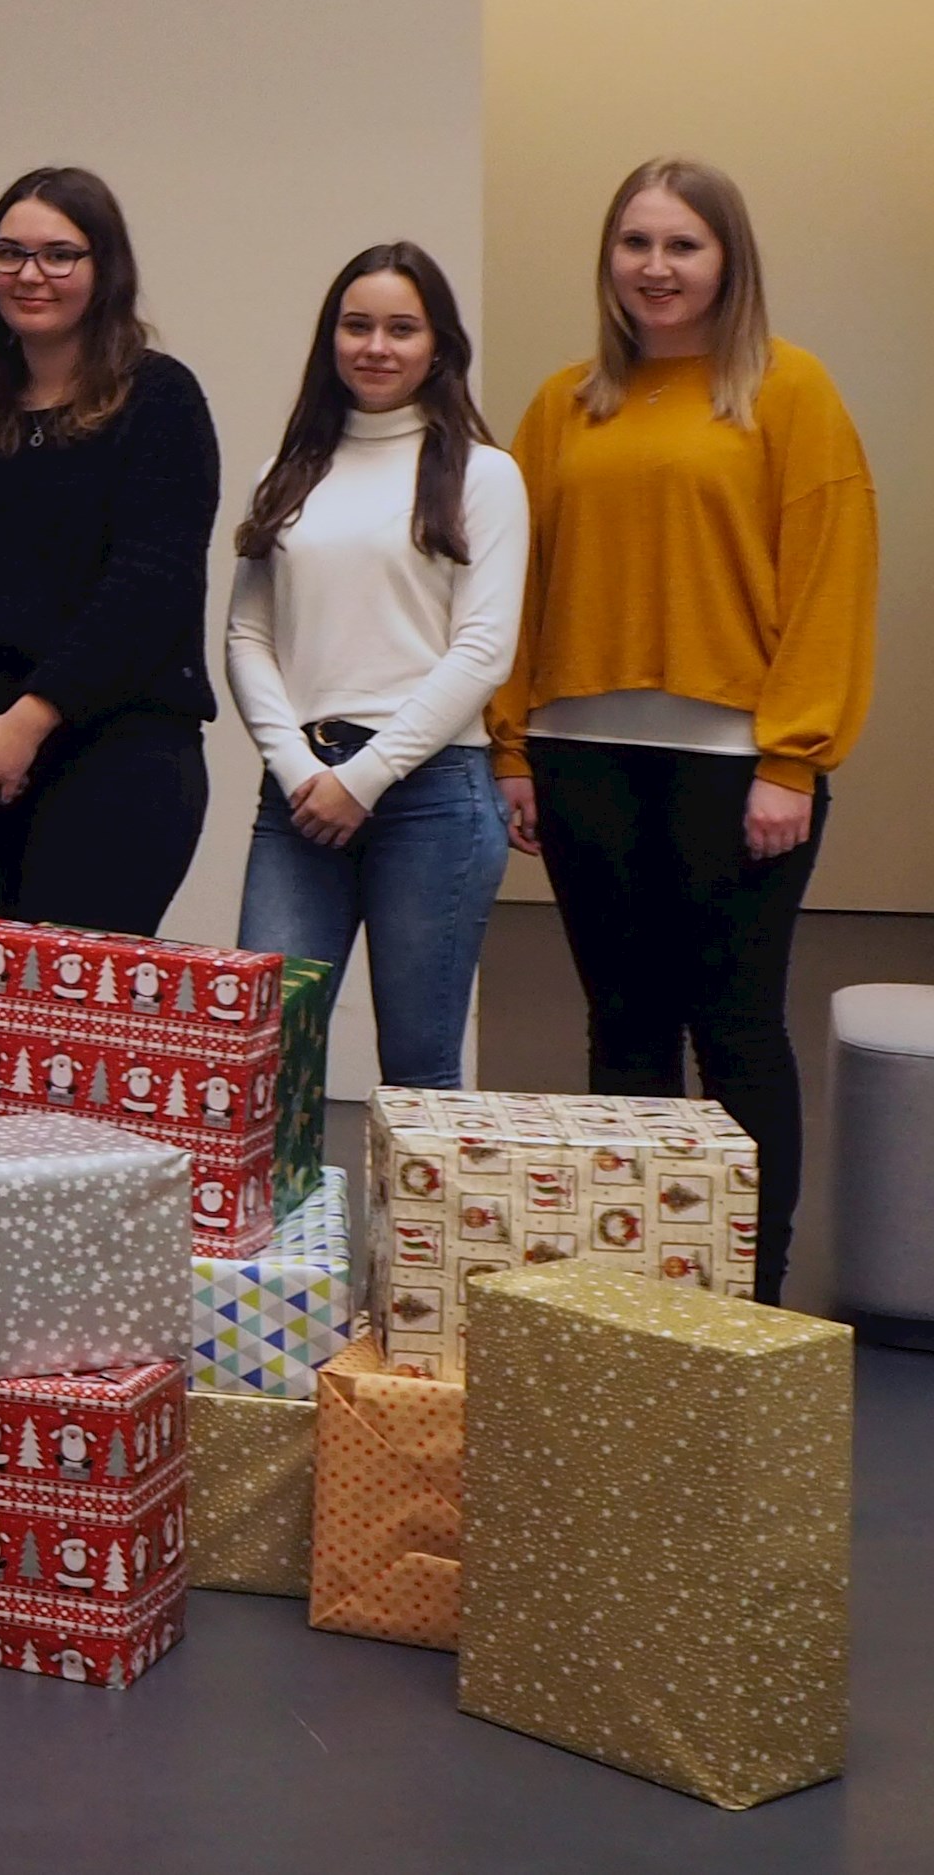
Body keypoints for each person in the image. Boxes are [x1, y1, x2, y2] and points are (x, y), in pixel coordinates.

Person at [490, 159, 875, 1305]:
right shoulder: (563, 406)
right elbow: (516, 585)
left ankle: (747, 1287)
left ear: (726, 261)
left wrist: (791, 760)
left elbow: (829, 582)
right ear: (608, 259)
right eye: (635, 244)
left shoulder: (786, 391)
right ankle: (642, 1278)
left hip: (736, 769)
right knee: (622, 1024)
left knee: (737, 1025)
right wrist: (511, 747)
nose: (655, 268)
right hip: (580, 758)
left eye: (682, 246)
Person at [226, 244, 524, 1089]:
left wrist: (365, 777)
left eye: (402, 328)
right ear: (331, 339)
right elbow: (248, 638)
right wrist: (298, 769)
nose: (376, 347)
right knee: (267, 1061)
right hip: (298, 796)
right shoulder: (283, 475)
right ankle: (283, 1231)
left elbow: (483, 650)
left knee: (419, 1066)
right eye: (357, 326)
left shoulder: (484, 474)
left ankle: (415, 1231)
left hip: (431, 795)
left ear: (439, 345)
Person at [0, 167, 219, 933]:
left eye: (58, 254)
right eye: (9, 253)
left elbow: (148, 585)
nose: (30, 274)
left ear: (103, 268)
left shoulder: (161, 399)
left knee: (78, 1030)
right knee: (8, 1024)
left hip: (121, 757)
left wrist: (30, 719)